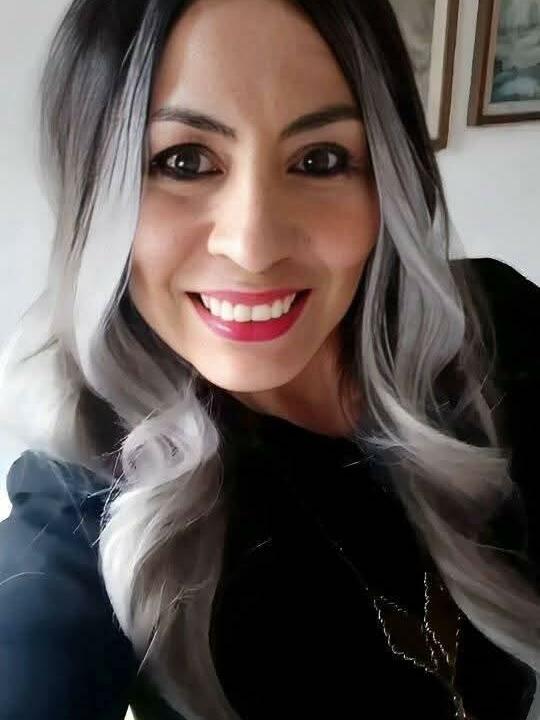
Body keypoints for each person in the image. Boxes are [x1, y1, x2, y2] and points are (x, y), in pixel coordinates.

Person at [0, 0, 539, 718]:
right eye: (183, 162)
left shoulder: (495, 325)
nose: (253, 246)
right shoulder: (86, 496)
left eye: (320, 160)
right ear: (95, 196)